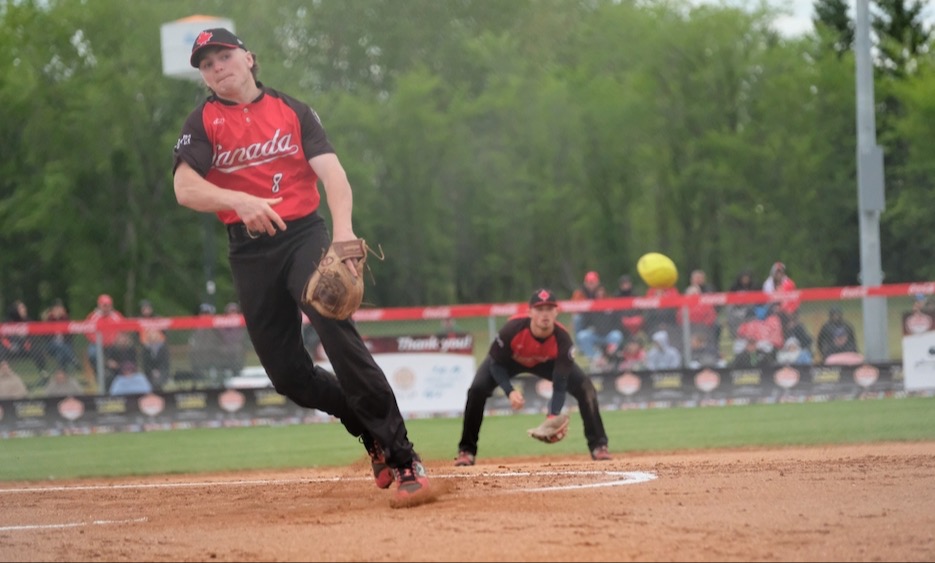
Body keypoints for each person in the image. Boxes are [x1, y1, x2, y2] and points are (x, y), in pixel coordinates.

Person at [172, 27, 430, 504]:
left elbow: (333, 174)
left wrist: (345, 232)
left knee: (334, 327)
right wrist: (238, 200)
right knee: (287, 375)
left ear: (249, 58)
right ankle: (365, 428)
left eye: (223, 56)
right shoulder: (204, 122)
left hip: (302, 236)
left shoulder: (292, 110)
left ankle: (401, 455)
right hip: (248, 248)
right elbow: (185, 188)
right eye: (206, 64)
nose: (217, 68)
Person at [453, 289, 612, 466]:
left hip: (546, 362)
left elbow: (560, 383)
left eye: (549, 309)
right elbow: (496, 364)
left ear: (556, 312)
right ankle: (466, 450)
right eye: (539, 309)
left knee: (586, 389)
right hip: (509, 361)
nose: (544, 314)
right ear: (529, 312)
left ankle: (599, 446)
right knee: (476, 390)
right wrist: (510, 391)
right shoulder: (512, 330)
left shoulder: (563, 339)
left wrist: (553, 415)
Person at [1, 299, 48, 374]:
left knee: (37, 349)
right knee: (1, 350)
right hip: (11, 347)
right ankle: (3, 373)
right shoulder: (8, 322)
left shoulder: (28, 321)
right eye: (21, 308)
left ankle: (43, 373)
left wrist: (28, 343)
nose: (24, 310)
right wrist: (9, 345)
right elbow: (3, 337)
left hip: (25, 347)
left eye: (24, 308)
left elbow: (34, 335)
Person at [84, 294, 127, 373]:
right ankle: (99, 372)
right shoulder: (93, 316)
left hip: (113, 343)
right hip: (97, 343)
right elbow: (87, 332)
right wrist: (97, 341)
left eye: (109, 305)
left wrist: (119, 338)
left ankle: (122, 372)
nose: (107, 308)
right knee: (92, 353)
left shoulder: (116, 316)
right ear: (99, 305)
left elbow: (124, 330)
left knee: (126, 350)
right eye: (104, 305)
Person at [41, 298, 82, 372]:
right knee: (59, 346)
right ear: (52, 310)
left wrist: (62, 318)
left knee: (60, 354)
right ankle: (73, 359)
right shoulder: (49, 319)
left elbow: (71, 335)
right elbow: (45, 336)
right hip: (52, 345)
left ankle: (62, 373)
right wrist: (53, 319)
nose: (58, 310)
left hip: (65, 345)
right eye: (56, 308)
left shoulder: (65, 319)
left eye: (60, 308)